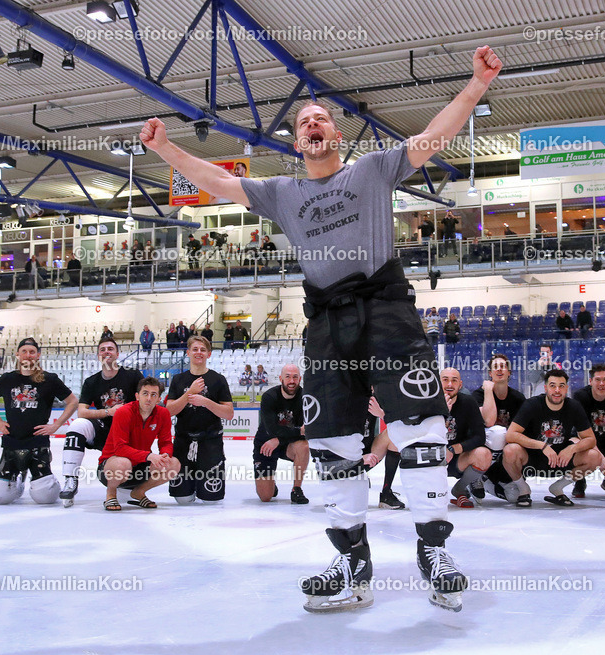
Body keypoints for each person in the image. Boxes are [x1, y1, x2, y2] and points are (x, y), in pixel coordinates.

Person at [140, 45, 502, 613]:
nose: (312, 123)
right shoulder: (282, 193)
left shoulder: (372, 169)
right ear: (296, 142)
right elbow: (216, 180)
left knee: (422, 427)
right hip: (328, 322)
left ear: (337, 134)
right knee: (331, 440)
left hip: (386, 309)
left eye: (321, 118)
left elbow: (433, 137)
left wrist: (476, 85)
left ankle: (434, 552)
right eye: (303, 121)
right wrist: (166, 148)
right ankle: (351, 561)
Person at [0, 338, 78, 505]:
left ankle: (46, 478)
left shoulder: (50, 379)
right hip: (12, 444)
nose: (28, 355)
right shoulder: (7, 379)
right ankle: (19, 479)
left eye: (32, 352)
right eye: (24, 352)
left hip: (37, 444)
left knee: (45, 498)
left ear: (38, 355)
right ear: (18, 355)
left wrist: (56, 425)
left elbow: (73, 401)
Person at [58, 338, 144, 507]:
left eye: (110, 349)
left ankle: (126, 479)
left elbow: (146, 401)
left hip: (129, 433)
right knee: (77, 425)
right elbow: (81, 411)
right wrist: (108, 412)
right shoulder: (91, 382)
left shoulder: (133, 375)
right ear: (98, 355)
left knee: (126, 491)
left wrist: (126, 411)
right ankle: (70, 479)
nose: (106, 352)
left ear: (117, 354)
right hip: (105, 431)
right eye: (102, 349)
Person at [501, 368, 599, 507]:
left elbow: (590, 439)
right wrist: (542, 445)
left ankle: (558, 487)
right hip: (532, 458)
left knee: (594, 457)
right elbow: (511, 435)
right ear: (546, 388)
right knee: (510, 450)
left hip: (561, 459)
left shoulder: (574, 407)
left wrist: (572, 449)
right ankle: (523, 489)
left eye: (561, 386)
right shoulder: (532, 404)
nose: (557, 390)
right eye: (553, 386)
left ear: (566, 388)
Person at [164, 335, 234, 504]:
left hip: (210, 441)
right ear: (188, 353)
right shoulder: (178, 380)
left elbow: (229, 413)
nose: (199, 352)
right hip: (183, 441)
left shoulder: (218, 380)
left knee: (211, 500)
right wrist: (190, 393)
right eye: (195, 349)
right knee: (182, 499)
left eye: (203, 350)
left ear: (208, 354)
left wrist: (205, 402)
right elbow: (168, 412)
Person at [98, 377, 178, 511]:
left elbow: (166, 442)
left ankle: (139, 492)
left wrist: (165, 455)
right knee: (123, 463)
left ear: (159, 399)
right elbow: (120, 449)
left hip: (139, 466)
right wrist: (149, 456)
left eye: (153, 395)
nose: (149, 398)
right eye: (145, 393)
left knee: (173, 464)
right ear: (137, 396)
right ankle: (111, 493)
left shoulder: (163, 413)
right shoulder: (123, 412)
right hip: (112, 467)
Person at [471, 353, 526, 502]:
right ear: (490, 373)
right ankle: (476, 475)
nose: (499, 369)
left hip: (505, 451)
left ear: (509, 372)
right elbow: (488, 421)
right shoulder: (479, 395)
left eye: (503, 366)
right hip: (482, 449)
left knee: (514, 497)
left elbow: (523, 430)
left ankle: (488, 481)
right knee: (498, 432)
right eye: (495, 367)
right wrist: (488, 391)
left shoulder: (518, 398)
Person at [253, 364, 310, 504]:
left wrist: (279, 440)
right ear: (281, 379)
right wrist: (297, 431)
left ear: (300, 379)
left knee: (304, 446)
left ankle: (296, 489)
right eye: (288, 377)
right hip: (266, 445)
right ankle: (271, 485)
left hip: (287, 444)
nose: (292, 381)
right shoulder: (269, 397)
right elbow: (271, 429)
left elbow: (306, 432)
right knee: (266, 497)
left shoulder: (305, 398)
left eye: (295, 377)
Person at [571, 363, 605, 499]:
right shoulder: (580, 396)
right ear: (590, 381)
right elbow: (583, 433)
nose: (602, 383)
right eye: (598, 380)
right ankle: (579, 480)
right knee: (575, 444)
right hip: (583, 440)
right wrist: (601, 459)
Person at [440, 368, 491, 509]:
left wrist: (454, 449)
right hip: (431, 458)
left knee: (484, 454)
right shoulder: (428, 403)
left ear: (460, 384)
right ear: (438, 383)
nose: (450, 384)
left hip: (457, 458)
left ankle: (460, 488)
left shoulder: (468, 402)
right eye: (445, 380)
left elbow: (480, 437)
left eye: (454, 380)